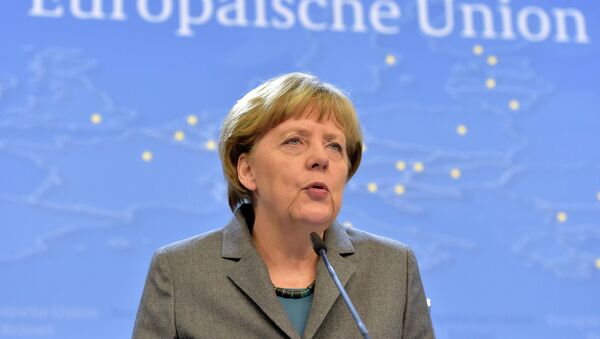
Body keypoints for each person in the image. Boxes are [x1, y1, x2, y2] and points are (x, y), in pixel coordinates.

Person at [132, 72, 435, 338]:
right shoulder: (181, 272)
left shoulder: (394, 269)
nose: (321, 158)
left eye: (335, 146)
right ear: (248, 170)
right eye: (295, 141)